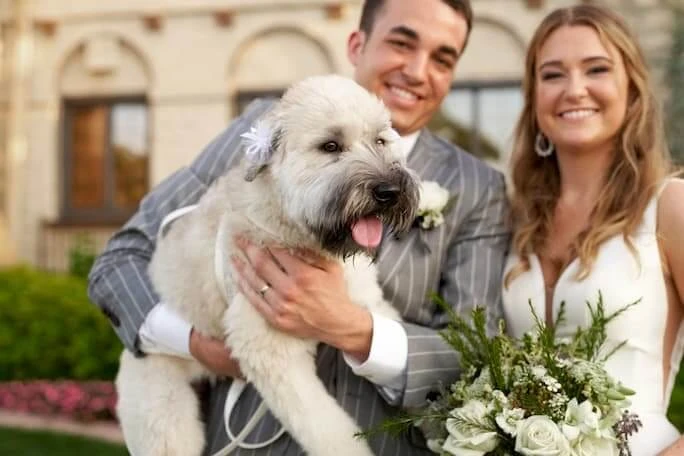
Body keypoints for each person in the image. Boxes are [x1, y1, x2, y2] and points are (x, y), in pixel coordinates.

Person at [88, 0, 510, 454]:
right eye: (401, 43)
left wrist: (353, 328)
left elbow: (472, 353)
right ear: (357, 44)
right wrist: (197, 345)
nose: (417, 70)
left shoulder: (477, 187)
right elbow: (119, 260)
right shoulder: (265, 129)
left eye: (442, 58)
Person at [502, 4, 684, 455]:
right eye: (552, 75)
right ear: (534, 97)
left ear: (632, 89)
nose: (574, 89)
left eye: (596, 69)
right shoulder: (515, 220)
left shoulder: (669, 206)